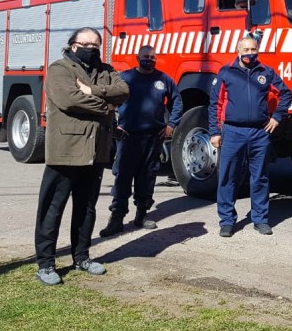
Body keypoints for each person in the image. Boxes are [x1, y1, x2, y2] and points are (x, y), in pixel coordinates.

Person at [34, 27, 129, 286]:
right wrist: (106, 104)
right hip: (66, 150)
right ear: (73, 44)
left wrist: (91, 92)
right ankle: (45, 263)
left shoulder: (106, 70)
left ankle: (81, 257)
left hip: (96, 151)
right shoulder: (59, 69)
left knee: (86, 208)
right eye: (85, 43)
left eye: (95, 44)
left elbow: (123, 91)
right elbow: (68, 100)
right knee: (53, 208)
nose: (90, 48)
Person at [208, 36, 291, 237]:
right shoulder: (226, 72)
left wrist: (277, 117)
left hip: (259, 133)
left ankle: (260, 219)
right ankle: (227, 221)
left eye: (253, 49)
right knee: (228, 177)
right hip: (232, 131)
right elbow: (215, 104)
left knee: (260, 177)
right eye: (246, 49)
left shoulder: (267, 72)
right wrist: (214, 132)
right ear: (238, 50)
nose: (250, 53)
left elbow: (286, 94)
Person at [99, 45, 182, 237]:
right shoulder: (125, 78)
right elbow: (109, 102)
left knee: (148, 177)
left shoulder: (164, 80)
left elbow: (177, 102)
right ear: (137, 57)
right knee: (123, 177)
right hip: (128, 137)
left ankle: (142, 215)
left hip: (153, 138)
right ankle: (117, 218)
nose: (149, 60)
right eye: (146, 56)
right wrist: (113, 126)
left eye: (153, 57)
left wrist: (172, 124)